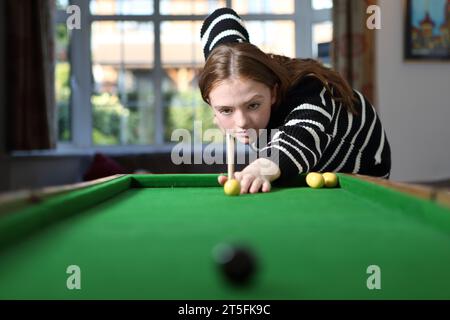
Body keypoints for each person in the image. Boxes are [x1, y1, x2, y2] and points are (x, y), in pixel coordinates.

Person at [198, 8, 391, 194]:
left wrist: (260, 169)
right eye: (226, 110)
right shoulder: (246, 100)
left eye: (253, 105)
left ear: (273, 93)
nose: (242, 122)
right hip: (310, 174)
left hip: (362, 180)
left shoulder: (308, 88)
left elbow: (301, 136)